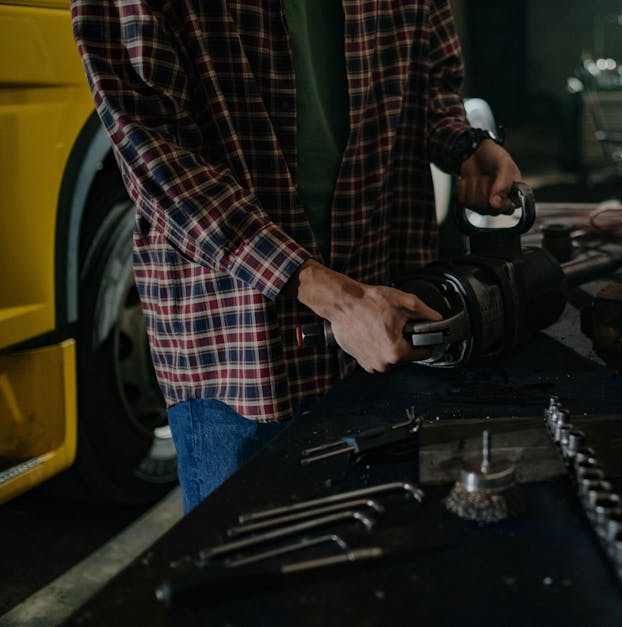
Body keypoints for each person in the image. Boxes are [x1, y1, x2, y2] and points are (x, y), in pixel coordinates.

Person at [71, 0, 523, 513]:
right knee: (241, 570)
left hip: (388, 314)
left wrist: (466, 147)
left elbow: (430, 89)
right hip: (240, 338)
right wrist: (334, 297)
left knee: (383, 564)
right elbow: (156, 154)